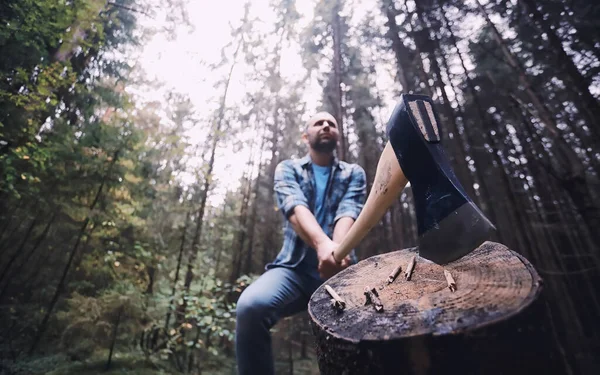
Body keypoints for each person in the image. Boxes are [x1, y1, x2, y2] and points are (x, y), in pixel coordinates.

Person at [234, 111, 367, 375]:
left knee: (367, 328)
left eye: (332, 123)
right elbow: (294, 209)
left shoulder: (354, 173)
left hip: (341, 271)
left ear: (338, 135)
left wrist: (336, 253)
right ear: (306, 136)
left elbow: (348, 212)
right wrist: (323, 246)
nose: (326, 126)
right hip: (292, 269)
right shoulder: (288, 169)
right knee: (250, 307)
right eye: (319, 123)